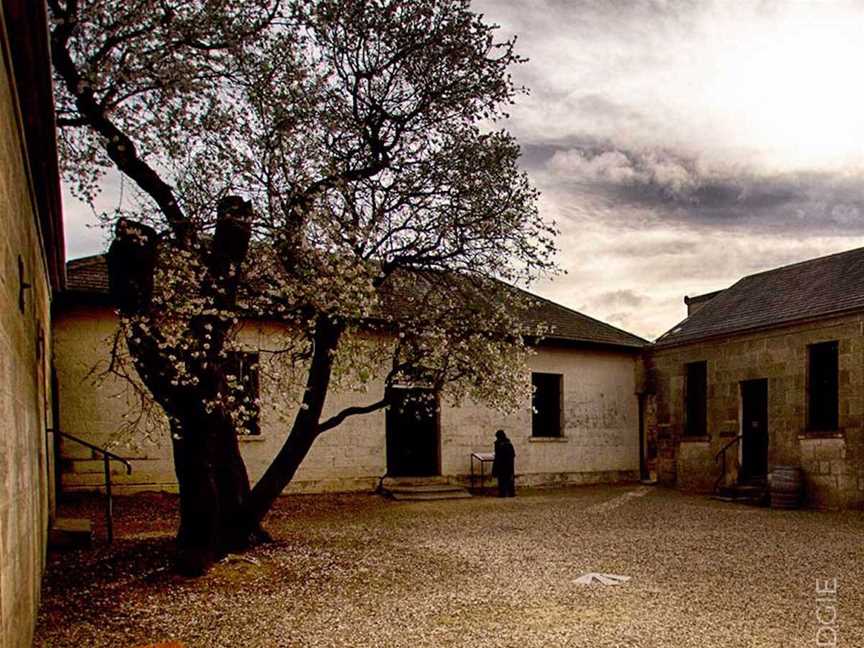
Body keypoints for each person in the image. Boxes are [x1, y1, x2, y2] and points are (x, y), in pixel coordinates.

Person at [492, 430, 516, 497]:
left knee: (502, 479)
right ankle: (511, 493)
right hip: (509, 464)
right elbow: (513, 454)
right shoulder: (509, 443)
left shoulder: (498, 444)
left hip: (501, 464)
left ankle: (502, 493)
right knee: (509, 478)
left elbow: (498, 455)